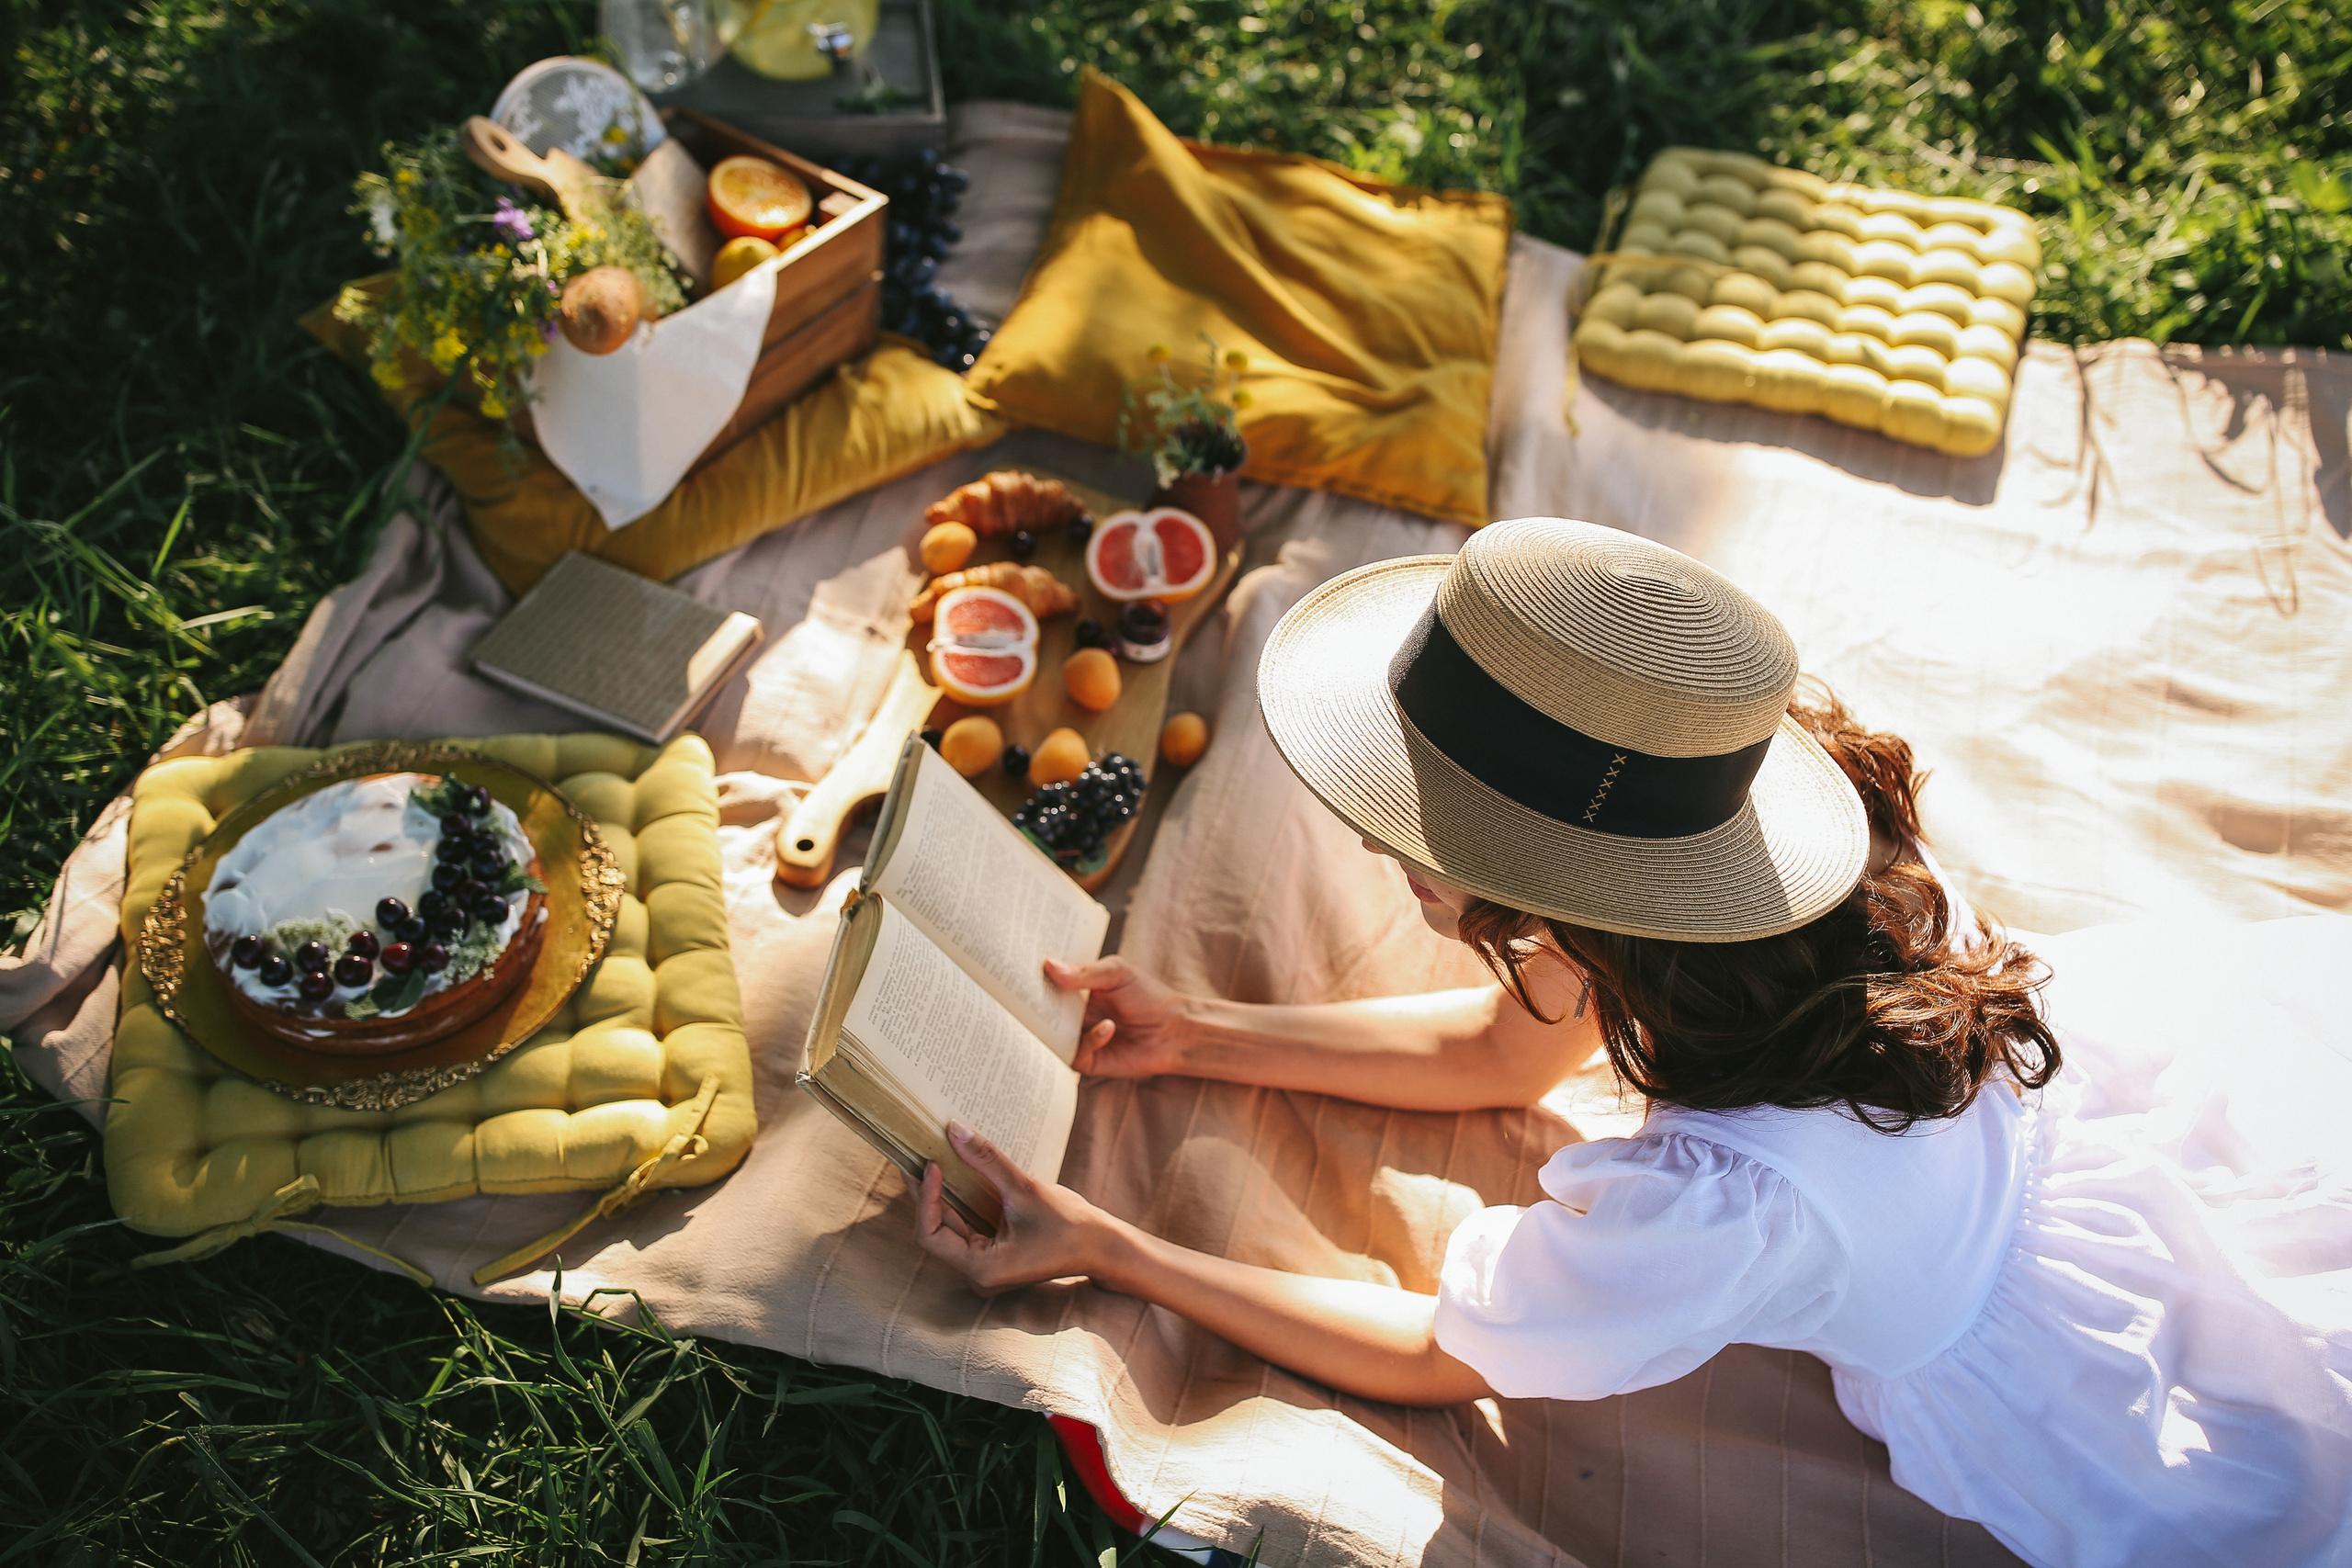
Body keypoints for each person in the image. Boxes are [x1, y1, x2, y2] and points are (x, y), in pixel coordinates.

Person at [913, 518, 2352, 1568]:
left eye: (1420, 819)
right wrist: (1203, 1034)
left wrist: (1108, 1247)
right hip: (2093, 1129)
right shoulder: (1713, 884)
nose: (1373, 844)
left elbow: (1442, 1349)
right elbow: (1501, 1060)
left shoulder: (1725, 1206)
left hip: (2111, 1372)